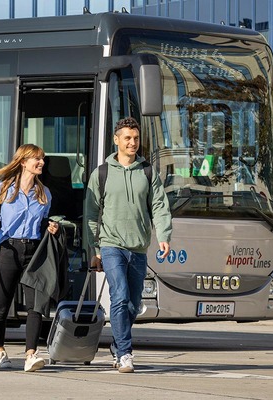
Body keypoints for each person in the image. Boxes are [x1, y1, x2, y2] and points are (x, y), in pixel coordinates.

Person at [83, 117, 173, 373]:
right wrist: (95, 249)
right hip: (111, 245)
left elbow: (159, 206)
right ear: (117, 140)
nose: (132, 143)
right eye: (127, 138)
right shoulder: (102, 173)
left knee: (133, 304)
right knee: (119, 296)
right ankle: (125, 353)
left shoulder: (147, 171)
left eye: (135, 138)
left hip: (138, 247)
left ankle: (116, 343)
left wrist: (164, 236)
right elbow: (90, 213)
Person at [0, 144, 60, 372]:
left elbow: (43, 221)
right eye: (36, 159)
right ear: (23, 162)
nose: (41, 162)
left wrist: (50, 226)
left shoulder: (44, 193)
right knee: (2, 306)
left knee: (36, 306)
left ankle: (31, 354)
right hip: (8, 250)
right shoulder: (2, 188)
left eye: (42, 159)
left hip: (34, 252)